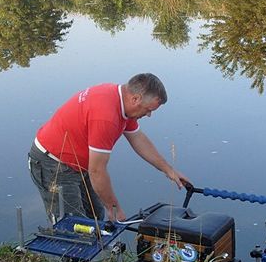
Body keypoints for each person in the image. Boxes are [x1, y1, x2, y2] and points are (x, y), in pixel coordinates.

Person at [28, 73, 188, 224]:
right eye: (148, 109)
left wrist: (169, 170)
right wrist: (115, 209)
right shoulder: (106, 117)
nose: (148, 115)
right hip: (53, 165)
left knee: (95, 216)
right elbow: (97, 171)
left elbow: (138, 139)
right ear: (136, 98)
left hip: (79, 164)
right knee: (72, 227)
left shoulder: (121, 101)